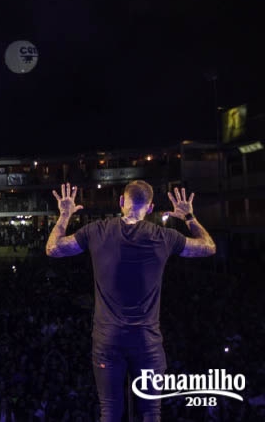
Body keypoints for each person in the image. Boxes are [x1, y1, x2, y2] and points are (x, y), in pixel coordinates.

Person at [45, 181, 216, 422]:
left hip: (108, 340)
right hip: (147, 342)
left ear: (121, 202)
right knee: (150, 413)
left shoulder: (97, 231)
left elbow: (53, 248)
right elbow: (208, 247)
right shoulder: (164, 236)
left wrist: (64, 216)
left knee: (111, 412)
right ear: (150, 207)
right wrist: (189, 216)